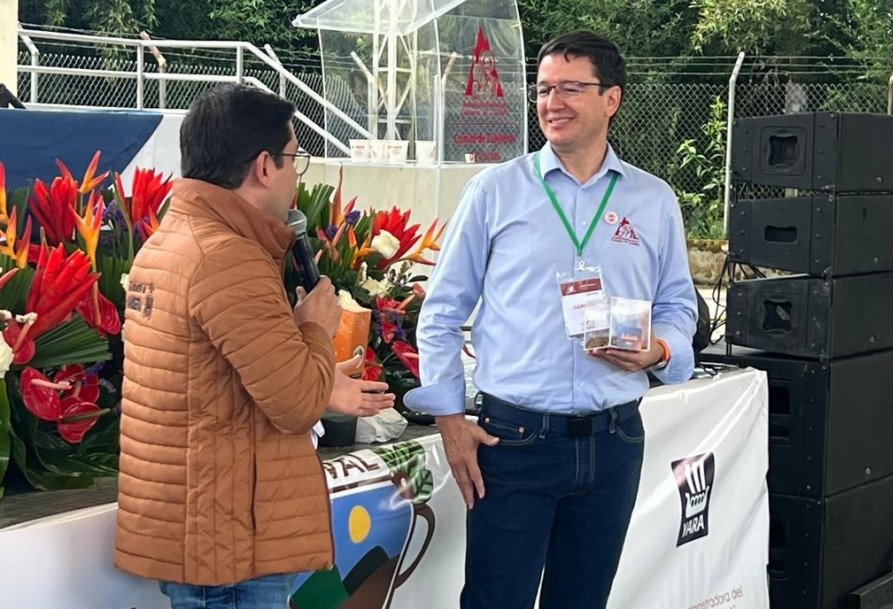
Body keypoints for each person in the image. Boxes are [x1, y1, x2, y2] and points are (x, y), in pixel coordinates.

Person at [405, 31, 698, 608]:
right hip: (514, 442)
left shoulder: (653, 199)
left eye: (570, 87)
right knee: (496, 601)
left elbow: (678, 305)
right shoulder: (495, 191)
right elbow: (440, 311)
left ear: (611, 98)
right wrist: (447, 417)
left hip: (615, 438)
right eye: (542, 89)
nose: (551, 102)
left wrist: (660, 351)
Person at [114, 83, 394, 609]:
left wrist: (296, 345)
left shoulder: (175, 238)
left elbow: (224, 378)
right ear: (264, 166)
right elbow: (294, 404)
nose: (295, 175)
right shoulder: (228, 257)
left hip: (210, 524)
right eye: (294, 159)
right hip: (231, 541)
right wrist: (313, 325)